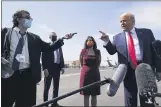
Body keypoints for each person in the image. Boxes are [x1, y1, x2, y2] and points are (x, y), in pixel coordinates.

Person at [1, 10, 75, 107]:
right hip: (9, 75)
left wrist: (62, 39)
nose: (30, 19)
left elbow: (48, 48)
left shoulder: (34, 38)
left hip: (27, 77)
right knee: (5, 102)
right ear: (18, 19)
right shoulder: (6, 32)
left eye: (30, 18)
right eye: (27, 17)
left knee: (25, 104)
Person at [99, 13, 161, 107]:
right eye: (120, 21)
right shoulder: (117, 38)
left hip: (144, 70)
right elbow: (112, 51)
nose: (122, 23)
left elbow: (155, 52)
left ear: (133, 21)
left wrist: (159, 70)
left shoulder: (147, 33)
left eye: (124, 20)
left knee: (148, 99)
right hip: (128, 72)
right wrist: (107, 41)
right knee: (130, 100)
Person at [41, 32, 65, 107]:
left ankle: (54, 102)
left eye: (55, 36)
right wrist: (44, 68)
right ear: (49, 37)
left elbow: (61, 56)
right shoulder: (47, 45)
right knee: (46, 87)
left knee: (56, 86)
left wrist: (62, 66)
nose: (54, 37)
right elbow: (43, 57)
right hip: (49, 68)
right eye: (53, 36)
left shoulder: (59, 46)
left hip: (57, 68)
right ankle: (45, 103)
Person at [79, 36, 101, 107]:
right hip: (85, 75)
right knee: (86, 95)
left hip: (95, 74)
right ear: (86, 42)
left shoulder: (97, 51)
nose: (90, 41)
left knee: (94, 95)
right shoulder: (83, 51)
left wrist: (93, 68)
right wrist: (85, 69)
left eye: (91, 40)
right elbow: (81, 62)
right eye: (88, 40)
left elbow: (99, 62)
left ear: (94, 42)